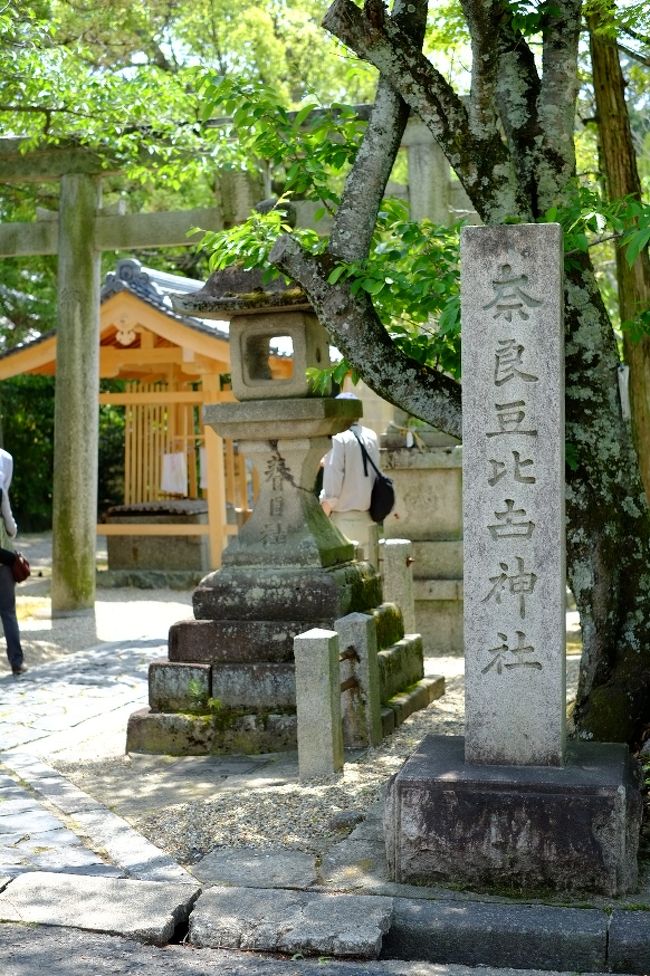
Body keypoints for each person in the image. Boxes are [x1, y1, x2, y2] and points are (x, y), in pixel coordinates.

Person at [319, 392, 380, 566]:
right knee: (368, 574)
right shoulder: (371, 436)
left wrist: (322, 519)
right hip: (369, 518)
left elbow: (333, 483)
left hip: (344, 520)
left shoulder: (338, 438)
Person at [0, 448, 26, 676]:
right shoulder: (0, 492)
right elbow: (11, 528)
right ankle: (16, 661)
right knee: (8, 612)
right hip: (2, 560)